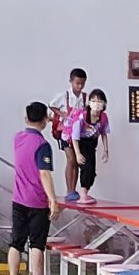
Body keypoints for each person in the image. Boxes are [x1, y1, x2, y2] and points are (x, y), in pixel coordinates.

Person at [9, 102, 61, 275]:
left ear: (26, 118)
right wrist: (53, 200)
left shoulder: (17, 138)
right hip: (37, 202)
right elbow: (44, 173)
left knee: (16, 242)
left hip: (18, 199)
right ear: (45, 121)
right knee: (36, 244)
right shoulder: (43, 145)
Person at [49, 68, 87, 201]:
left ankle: (74, 190)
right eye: (77, 83)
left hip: (78, 133)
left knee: (76, 161)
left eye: (82, 83)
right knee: (70, 158)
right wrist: (62, 115)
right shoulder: (64, 96)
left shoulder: (84, 97)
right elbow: (51, 105)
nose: (80, 86)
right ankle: (69, 189)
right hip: (65, 132)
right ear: (71, 81)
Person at [68, 88, 110, 206]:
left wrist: (106, 150)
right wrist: (78, 154)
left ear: (104, 104)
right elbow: (74, 136)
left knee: (92, 170)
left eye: (99, 101)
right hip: (80, 143)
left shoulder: (103, 117)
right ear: (90, 103)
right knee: (86, 167)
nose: (97, 104)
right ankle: (82, 194)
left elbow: (104, 133)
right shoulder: (82, 116)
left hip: (92, 143)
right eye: (94, 101)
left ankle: (85, 192)